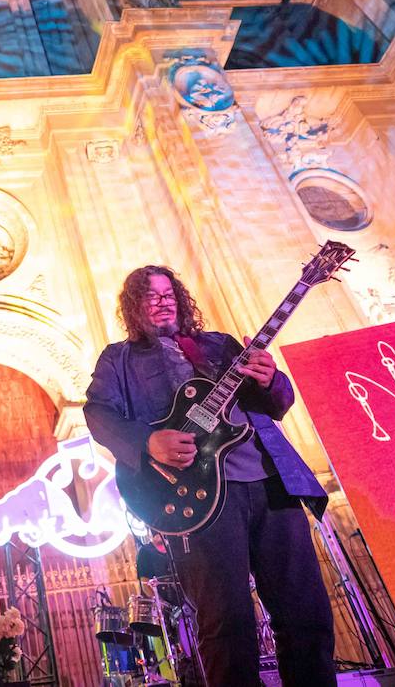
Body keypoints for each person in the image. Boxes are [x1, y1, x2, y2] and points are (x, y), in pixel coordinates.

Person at [85, 265, 335, 687]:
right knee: (227, 624)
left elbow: (273, 404)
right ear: (133, 308)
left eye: (169, 293)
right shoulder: (119, 359)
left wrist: (272, 379)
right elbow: (97, 412)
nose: (162, 301)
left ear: (181, 300)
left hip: (271, 482)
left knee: (305, 610)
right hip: (198, 499)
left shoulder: (221, 346)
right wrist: (148, 443)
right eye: (150, 295)